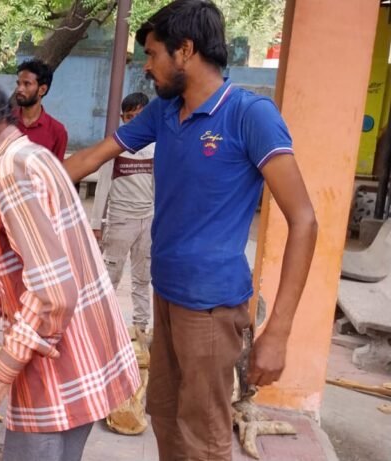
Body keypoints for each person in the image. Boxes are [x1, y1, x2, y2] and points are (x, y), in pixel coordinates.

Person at [63, 1, 318, 459]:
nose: (147, 65)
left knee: (205, 437)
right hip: (168, 295)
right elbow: (94, 156)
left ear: (185, 50)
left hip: (212, 307)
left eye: (154, 54)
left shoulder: (248, 115)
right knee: (164, 417)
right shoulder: (164, 112)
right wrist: (15, 183)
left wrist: (277, 332)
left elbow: (304, 220)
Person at [0, 69, 139, 460]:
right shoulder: (33, 157)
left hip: (59, 369)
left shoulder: (13, 172)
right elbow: (33, 271)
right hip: (83, 358)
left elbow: (51, 292)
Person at [89, 92, 155, 332]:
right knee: (110, 274)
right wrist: (96, 223)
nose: (135, 121)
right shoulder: (115, 146)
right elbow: (103, 185)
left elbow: (159, 188)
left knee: (142, 277)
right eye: (130, 117)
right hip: (120, 220)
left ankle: (141, 326)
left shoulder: (158, 147)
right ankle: (99, 325)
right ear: (122, 118)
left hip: (147, 220)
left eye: (140, 116)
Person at [14, 59, 68, 161]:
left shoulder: (57, 131)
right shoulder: (3, 123)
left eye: (27, 84)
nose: (19, 89)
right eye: (18, 83)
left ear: (42, 90)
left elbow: (55, 173)